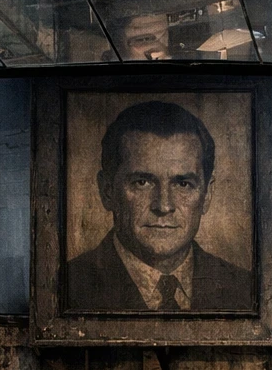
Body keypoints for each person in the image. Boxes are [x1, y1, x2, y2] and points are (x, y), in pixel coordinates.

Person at [65, 100, 253, 311]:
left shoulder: (248, 290)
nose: (164, 206)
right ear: (107, 191)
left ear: (207, 195)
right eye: (142, 182)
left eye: (183, 184)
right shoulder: (65, 289)